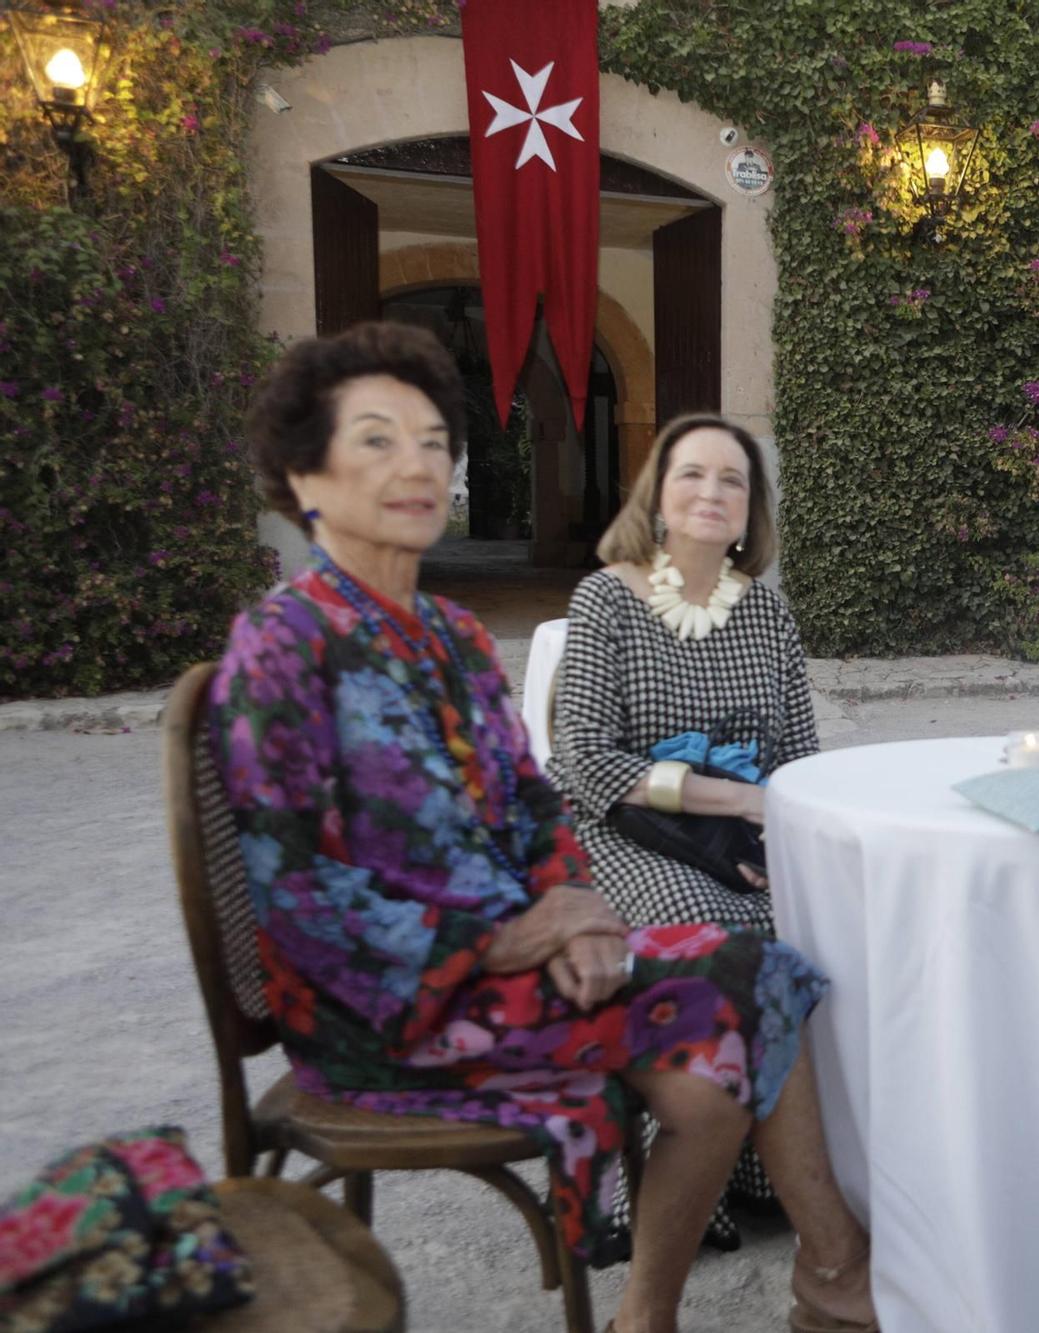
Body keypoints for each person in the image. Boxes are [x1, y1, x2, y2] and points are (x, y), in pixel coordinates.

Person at [212, 323, 875, 1333]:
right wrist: (512, 937)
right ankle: (817, 1280)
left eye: (437, 441)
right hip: (387, 1002)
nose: (420, 464)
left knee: (772, 979)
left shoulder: (452, 635)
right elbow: (303, 897)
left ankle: (720, 1298)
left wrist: (575, 906)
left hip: (514, 962)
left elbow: (531, 802)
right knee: (742, 973)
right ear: (305, 474)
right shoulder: (283, 645)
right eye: (379, 440)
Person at [548, 413, 811, 1250]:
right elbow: (584, 757)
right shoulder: (606, 598)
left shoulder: (767, 619)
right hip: (621, 829)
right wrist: (733, 803)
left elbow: (800, 761)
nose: (712, 492)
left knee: (812, 926)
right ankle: (654, 1190)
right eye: (692, 474)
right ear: (657, 496)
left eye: (732, 480)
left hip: (739, 842)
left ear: (750, 508)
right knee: (719, 929)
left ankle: (751, 1166)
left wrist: (779, 841)